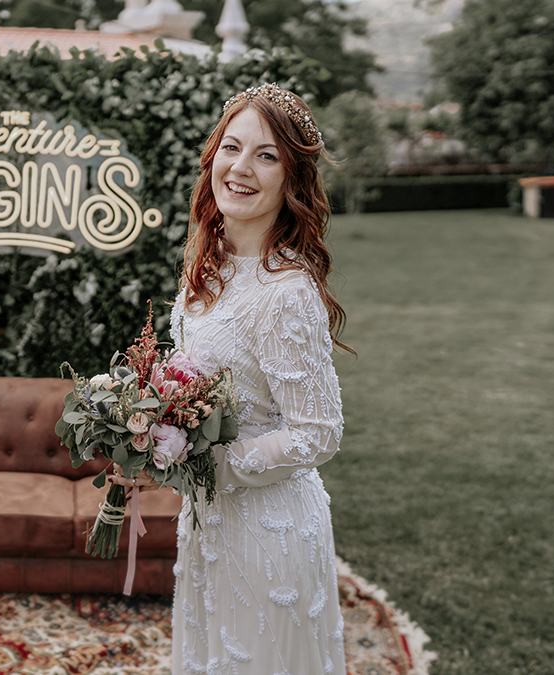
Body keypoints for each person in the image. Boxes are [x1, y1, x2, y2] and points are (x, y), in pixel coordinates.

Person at [121, 83, 350, 673]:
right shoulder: (213, 262)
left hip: (269, 534)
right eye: (232, 147)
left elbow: (317, 433)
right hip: (211, 522)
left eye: (266, 155)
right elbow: (194, 376)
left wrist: (204, 463)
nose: (241, 168)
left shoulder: (287, 294)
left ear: (290, 180)